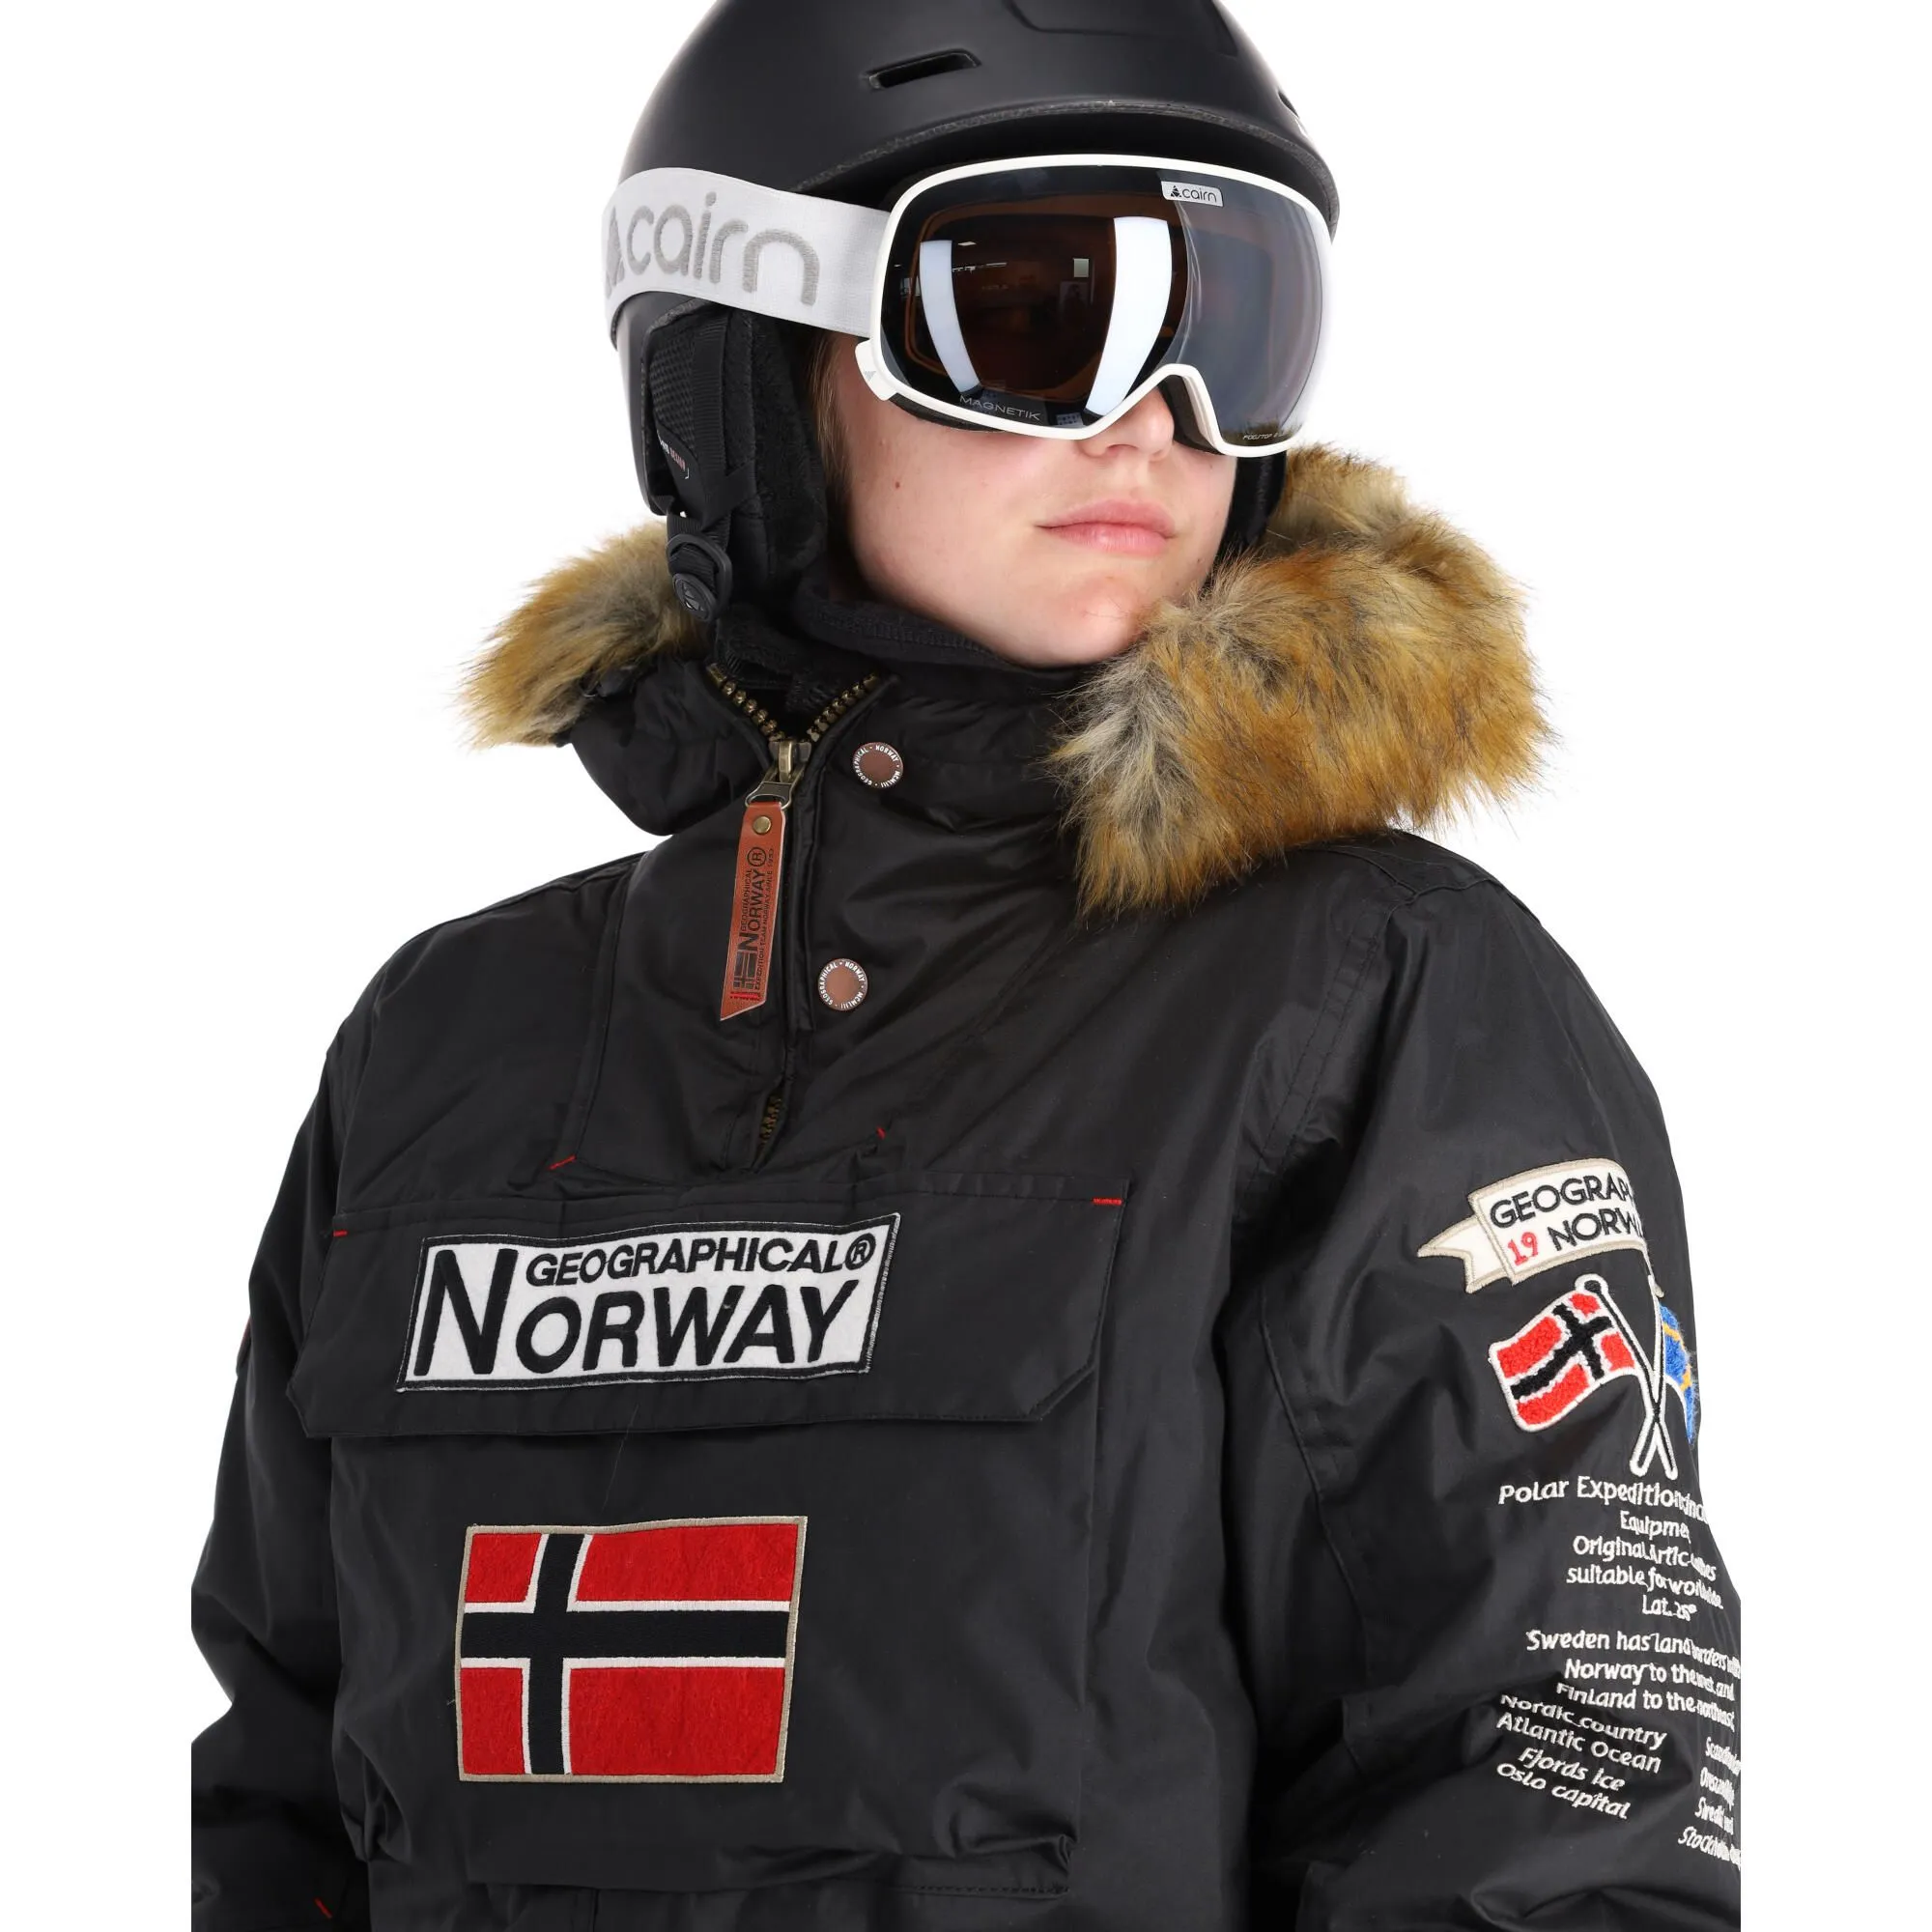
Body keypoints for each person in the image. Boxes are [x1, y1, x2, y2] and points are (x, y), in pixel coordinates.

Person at [190, 1, 1743, 1926]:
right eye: (1026, 312)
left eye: (1231, 326)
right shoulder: (444, 1042)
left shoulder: (1363, 998)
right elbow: (284, 1786)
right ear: (744, 381)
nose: (1150, 416)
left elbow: (1541, 1817)